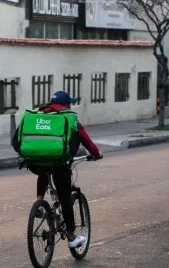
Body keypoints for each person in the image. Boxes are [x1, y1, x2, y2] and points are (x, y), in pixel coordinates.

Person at [13, 91, 103, 248]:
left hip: (34, 162)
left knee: (43, 165)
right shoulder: (69, 117)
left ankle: (40, 202)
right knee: (65, 197)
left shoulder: (35, 114)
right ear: (66, 105)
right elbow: (85, 139)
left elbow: (16, 140)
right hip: (60, 163)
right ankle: (71, 236)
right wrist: (96, 154)